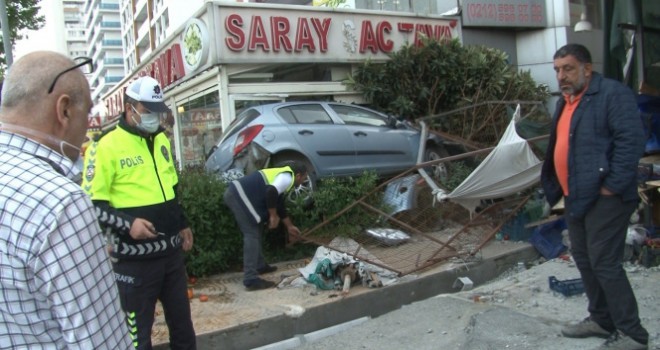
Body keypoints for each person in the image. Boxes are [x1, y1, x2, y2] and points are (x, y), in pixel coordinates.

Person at [0, 51, 131, 348]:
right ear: (65, 110)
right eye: (87, 114)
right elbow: (102, 342)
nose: (87, 127)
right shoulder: (60, 204)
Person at [541, 44, 649, 350]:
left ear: (587, 69)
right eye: (557, 70)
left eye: (568, 68)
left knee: (604, 263)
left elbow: (632, 141)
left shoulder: (612, 95)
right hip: (575, 195)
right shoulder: (567, 100)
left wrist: (611, 186)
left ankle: (633, 334)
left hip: (607, 197)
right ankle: (602, 320)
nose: (561, 75)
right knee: (585, 259)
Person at [81, 76, 196, 349]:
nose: (154, 117)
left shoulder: (162, 141)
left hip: (170, 256)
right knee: (136, 336)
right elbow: (90, 205)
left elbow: (171, 189)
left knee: (183, 327)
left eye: (158, 111)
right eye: (147, 111)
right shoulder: (104, 147)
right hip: (134, 263)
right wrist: (128, 224)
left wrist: (182, 222)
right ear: (129, 107)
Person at [224, 162, 306, 291]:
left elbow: (278, 204)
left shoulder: (282, 175)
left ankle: (259, 265)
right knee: (251, 234)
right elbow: (270, 192)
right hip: (238, 195)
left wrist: (289, 226)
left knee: (256, 228)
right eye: (303, 179)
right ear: (298, 175)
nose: (302, 183)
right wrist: (273, 216)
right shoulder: (287, 177)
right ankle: (251, 279)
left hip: (237, 193)